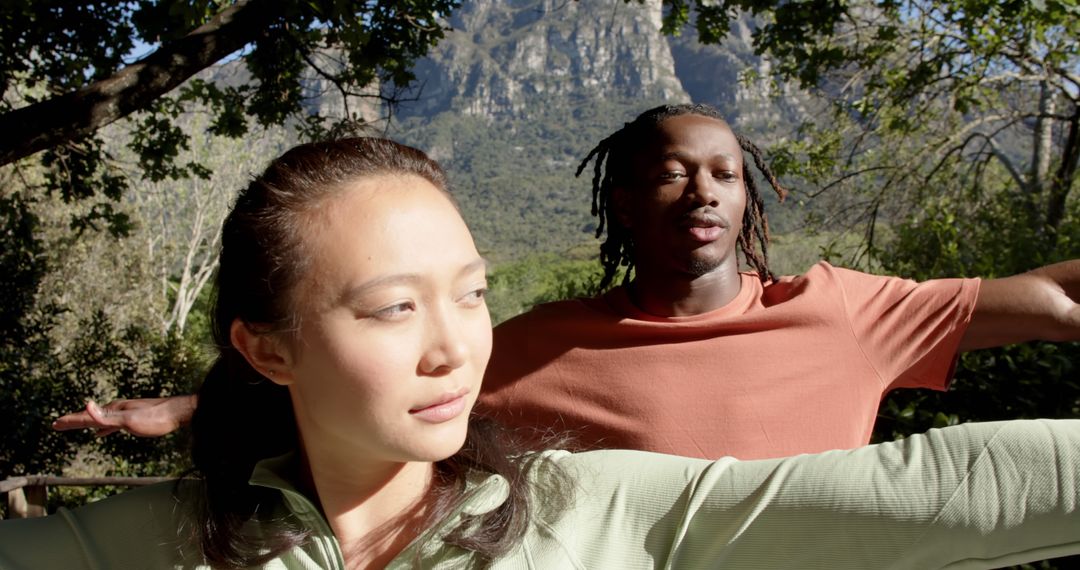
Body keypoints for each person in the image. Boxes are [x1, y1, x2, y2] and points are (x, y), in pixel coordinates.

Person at [9, 137, 1080, 569]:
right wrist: (184, 409)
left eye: (471, 296)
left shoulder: (591, 509)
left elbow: (930, 482)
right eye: (394, 309)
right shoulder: (147, 546)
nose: (454, 351)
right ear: (267, 347)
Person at [54, 104, 1080, 460]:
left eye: (725, 172)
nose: (703, 191)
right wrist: (182, 410)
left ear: (752, 197)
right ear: (624, 205)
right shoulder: (545, 341)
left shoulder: (851, 312)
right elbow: (373, 397)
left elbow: (1056, 301)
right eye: (671, 173)